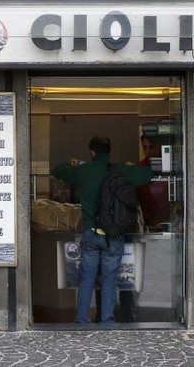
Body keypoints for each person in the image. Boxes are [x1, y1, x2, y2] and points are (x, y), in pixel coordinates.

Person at [52, 135, 153, 324]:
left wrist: (75, 165)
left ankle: (82, 320)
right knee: (109, 281)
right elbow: (148, 175)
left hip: (91, 234)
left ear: (92, 152)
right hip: (114, 236)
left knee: (87, 280)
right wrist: (132, 167)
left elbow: (57, 170)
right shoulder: (120, 170)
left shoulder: (83, 171)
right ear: (109, 151)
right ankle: (107, 321)